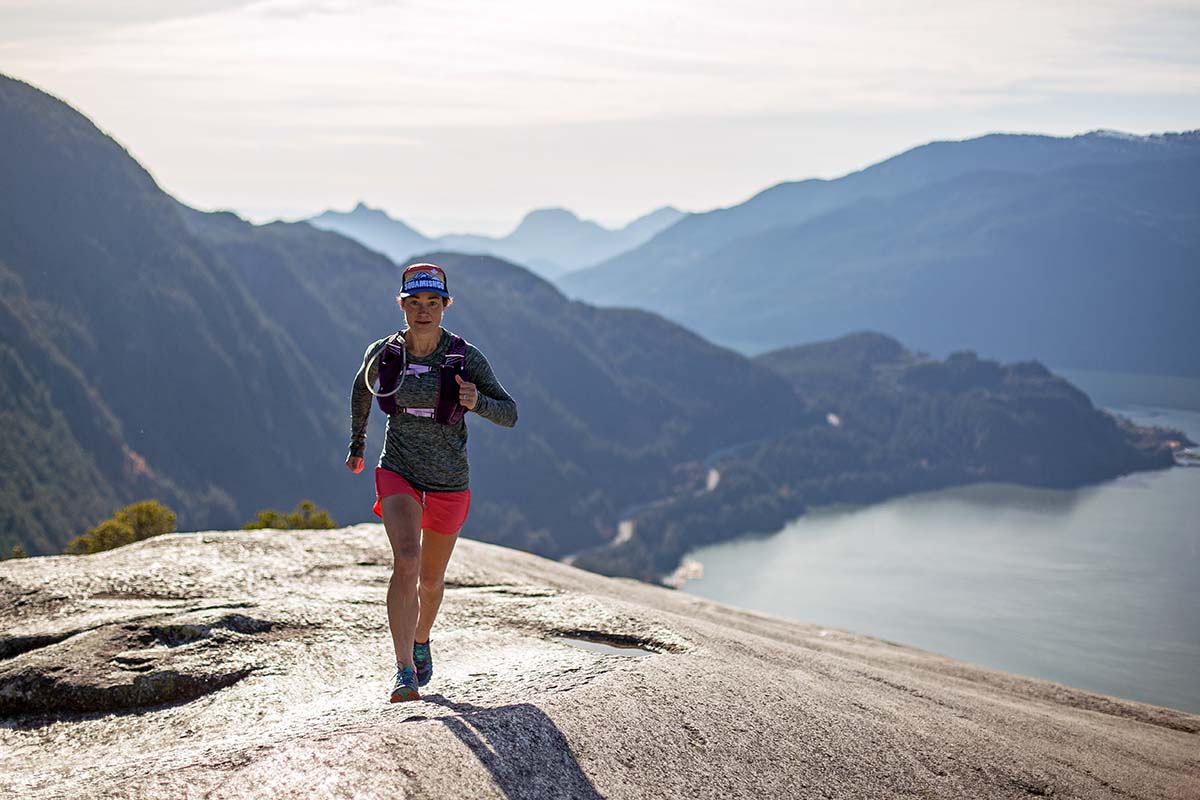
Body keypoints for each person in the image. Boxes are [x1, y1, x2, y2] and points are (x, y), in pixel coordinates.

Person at [346, 263, 517, 702]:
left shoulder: (464, 357)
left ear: (445, 306)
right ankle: (404, 670)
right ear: (402, 305)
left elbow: (510, 412)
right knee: (406, 559)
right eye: (415, 303)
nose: (423, 311)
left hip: (448, 480)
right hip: (398, 468)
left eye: (433, 303)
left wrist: (477, 401)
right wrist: (358, 443)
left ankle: (421, 639)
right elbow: (362, 388)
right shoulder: (386, 352)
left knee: (431, 580)